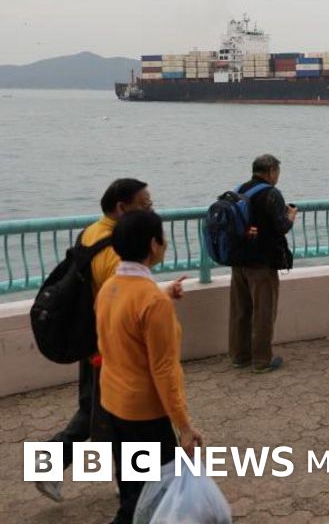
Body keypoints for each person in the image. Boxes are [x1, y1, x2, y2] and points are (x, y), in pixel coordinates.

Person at [37, 178, 152, 503]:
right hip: (110, 345)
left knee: (96, 410)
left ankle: (126, 480)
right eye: (145, 205)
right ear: (122, 207)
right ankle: (131, 486)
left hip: (89, 336)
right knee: (116, 413)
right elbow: (124, 304)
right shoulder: (116, 253)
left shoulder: (91, 233)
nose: (150, 211)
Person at [97, 210, 203, 523]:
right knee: (158, 494)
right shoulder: (152, 302)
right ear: (154, 245)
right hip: (145, 414)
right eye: (163, 238)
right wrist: (184, 426)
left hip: (114, 403)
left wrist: (163, 293)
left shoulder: (109, 288)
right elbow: (164, 371)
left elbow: (127, 318)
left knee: (133, 486)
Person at [228, 154, 297, 373]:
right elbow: (281, 227)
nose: (277, 177)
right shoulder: (271, 193)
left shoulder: (239, 190)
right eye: (277, 172)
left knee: (240, 310)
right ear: (271, 171)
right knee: (263, 312)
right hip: (262, 263)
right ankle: (261, 361)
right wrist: (291, 215)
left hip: (238, 261)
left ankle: (239, 357)